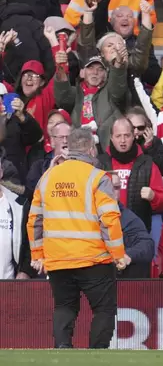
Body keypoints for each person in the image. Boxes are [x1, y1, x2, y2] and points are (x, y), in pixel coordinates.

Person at [27, 128, 127, 349]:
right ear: (91, 149)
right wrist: (118, 255)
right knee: (103, 309)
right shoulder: (98, 177)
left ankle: (63, 351)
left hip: (58, 259)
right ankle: (96, 355)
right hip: (94, 259)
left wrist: (38, 254)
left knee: (64, 306)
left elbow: (34, 221)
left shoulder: (47, 177)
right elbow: (109, 220)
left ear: (69, 148)